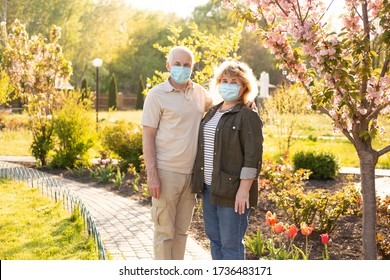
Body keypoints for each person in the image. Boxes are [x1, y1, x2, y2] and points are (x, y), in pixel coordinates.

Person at [141, 46, 213, 260]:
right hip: (165, 173)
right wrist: (152, 174)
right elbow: (148, 136)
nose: (182, 69)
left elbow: (223, 105)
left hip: (191, 176)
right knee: (164, 233)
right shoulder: (156, 95)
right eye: (178, 64)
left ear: (192, 67)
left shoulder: (200, 93)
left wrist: (247, 101)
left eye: (187, 65)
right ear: (168, 65)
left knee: (181, 233)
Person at [192, 60, 264, 260]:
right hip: (209, 189)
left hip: (233, 192)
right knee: (214, 241)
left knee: (230, 245)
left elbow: (253, 156)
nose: (228, 85)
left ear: (244, 87)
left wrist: (243, 190)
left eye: (234, 82)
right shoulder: (213, 111)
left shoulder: (247, 114)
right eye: (224, 80)